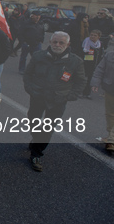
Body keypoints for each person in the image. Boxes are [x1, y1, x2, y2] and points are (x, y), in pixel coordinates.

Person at [24, 32, 86, 171]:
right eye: (55, 42)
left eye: (61, 43)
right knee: (33, 121)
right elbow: (28, 74)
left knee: (47, 128)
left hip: (58, 100)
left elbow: (81, 81)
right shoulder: (39, 56)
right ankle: (36, 140)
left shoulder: (75, 61)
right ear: (50, 42)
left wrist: (70, 96)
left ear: (68, 44)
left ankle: (36, 154)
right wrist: (30, 89)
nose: (57, 45)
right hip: (38, 96)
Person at [91, 46, 114, 153]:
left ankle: (111, 140)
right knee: (110, 114)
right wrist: (95, 82)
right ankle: (110, 135)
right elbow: (100, 68)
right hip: (110, 89)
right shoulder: (109, 55)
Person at [18, 10, 44, 75]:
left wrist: (41, 40)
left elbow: (42, 32)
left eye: (39, 16)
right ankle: (22, 69)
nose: (37, 18)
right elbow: (20, 33)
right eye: (36, 16)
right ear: (32, 16)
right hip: (27, 43)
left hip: (36, 44)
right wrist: (23, 42)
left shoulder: (40, 24)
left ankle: (35, 70)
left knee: (37, 57)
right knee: (23, 57)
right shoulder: (26, 23)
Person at [81, 30, 103, 99]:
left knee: (90, 79)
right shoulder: (86, 42)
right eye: (91, 35)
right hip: (85, 63)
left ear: (99, 37)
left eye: (95, 35)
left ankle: (87, 93)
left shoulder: (99, 45)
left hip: (94, 64)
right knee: (82, 78)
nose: (92, 36)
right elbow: (82, 53)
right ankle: (79, 92)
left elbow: (100, 55)